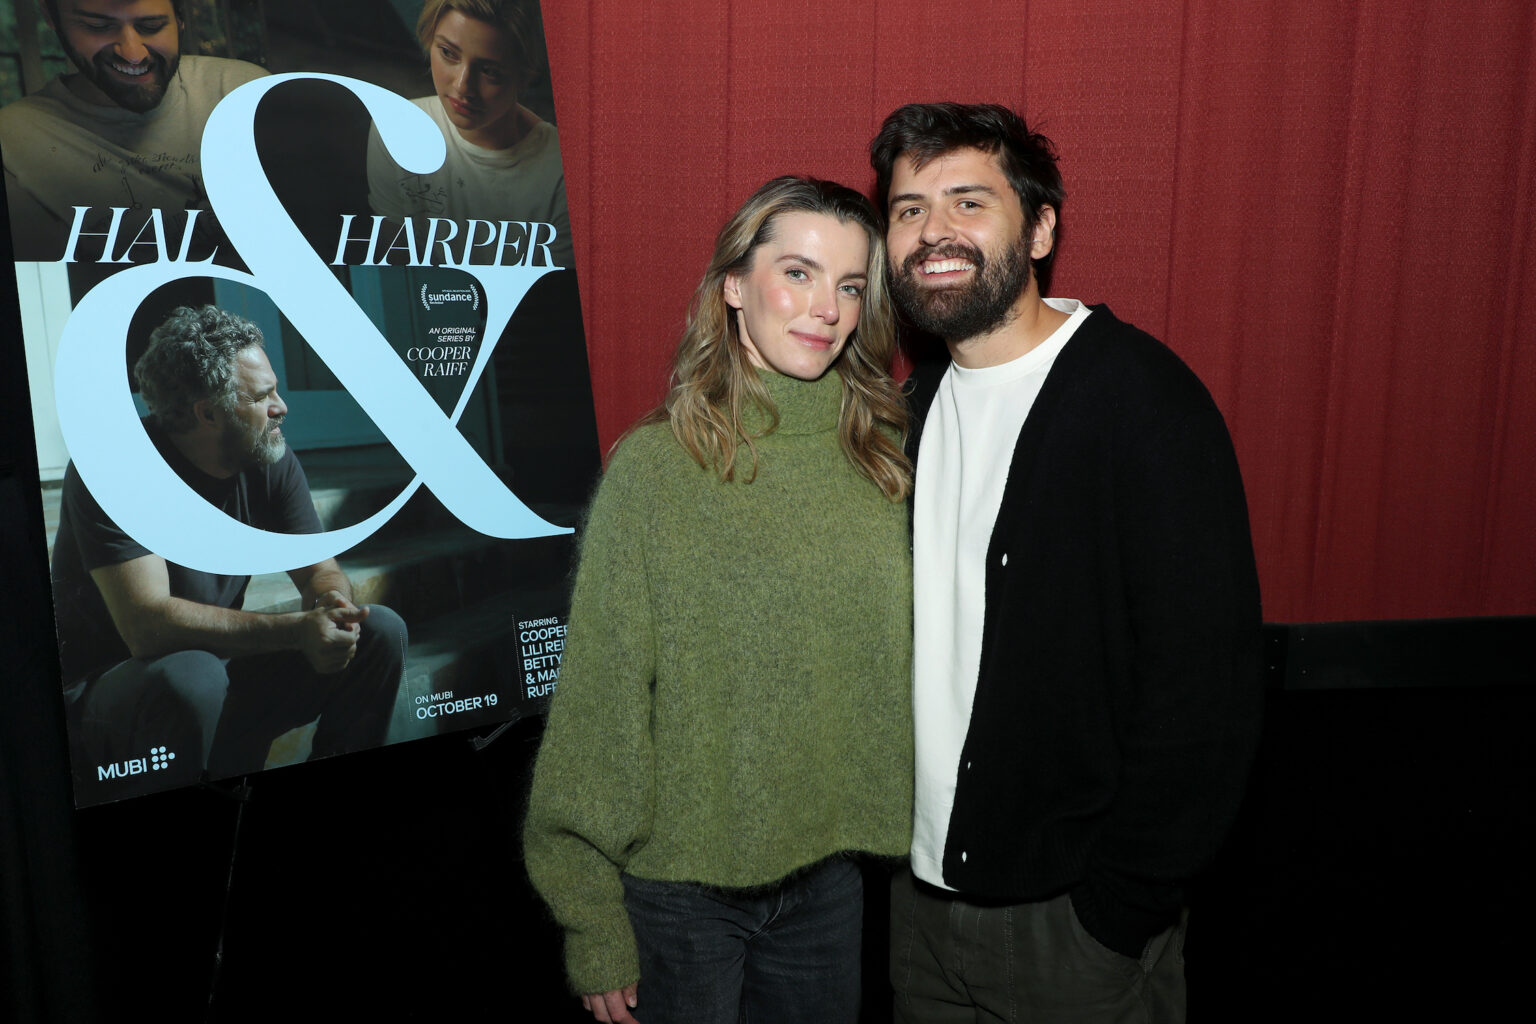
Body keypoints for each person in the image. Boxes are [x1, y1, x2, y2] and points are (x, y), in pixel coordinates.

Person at [871, 102, 1264, 1022]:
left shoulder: (1139, 401)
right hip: (919, 916)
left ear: (1041, 228)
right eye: (908, 208)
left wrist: (1119, 912)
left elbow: (1206, 689)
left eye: (970, 202)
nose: (934, 232)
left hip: (1072, 932)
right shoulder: (906, 413)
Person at [523, 176, 914, 1024]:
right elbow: (602, 701)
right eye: (799, 273)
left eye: (851, 285)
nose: (826, 308)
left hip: (831, 885)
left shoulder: (886, 461)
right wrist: (591, 917)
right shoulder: (659, 472)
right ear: (734, 286)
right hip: (679, 897)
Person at [52, 305, 406, 798]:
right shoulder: (117, 466)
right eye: (264, 396)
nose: (282, 406)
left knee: (378, 631)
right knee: (190, 673)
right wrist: (294, 631)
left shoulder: (265, 453)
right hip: (115, 697)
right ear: (208, 411)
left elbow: (320, 568)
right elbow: (146, 626)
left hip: (215, 673)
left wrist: (330, 604)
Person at [0, 0, 268, 261]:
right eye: (97, 26)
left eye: (151, 26)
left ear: (180, 17)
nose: (133, 53)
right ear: (51, 16)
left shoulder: (244, 92)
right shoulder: (14, 139)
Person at [366, 0, 572, 268]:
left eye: (489, 71)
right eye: (448, 53)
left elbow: (554, 300)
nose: (463, 86)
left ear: (524, 77)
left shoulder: (563, 172)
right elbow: (396, 271)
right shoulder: (396, 128)